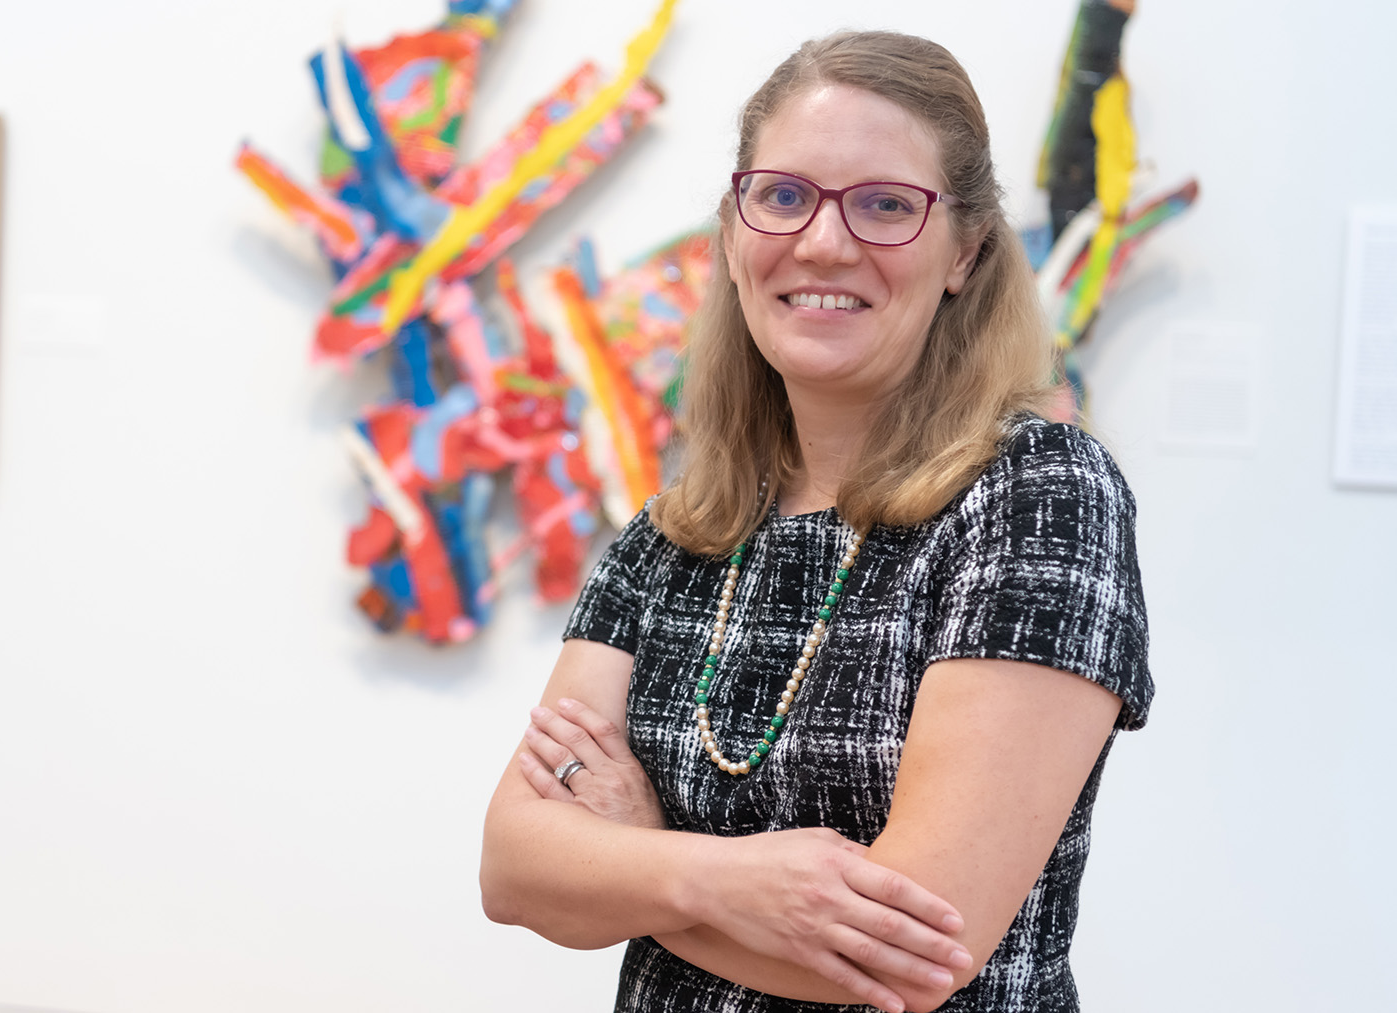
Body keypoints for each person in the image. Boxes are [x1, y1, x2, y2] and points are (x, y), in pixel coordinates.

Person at [479, 30, 1152, 1013]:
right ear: (734, 227)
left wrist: (630, 859)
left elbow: (917, 945)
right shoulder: (674, 534)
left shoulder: (1039, 494)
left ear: (963, 249)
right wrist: (717, 879)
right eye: (784, 196)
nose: (823, 242)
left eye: (885, 205)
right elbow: (513, 867)